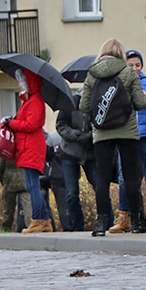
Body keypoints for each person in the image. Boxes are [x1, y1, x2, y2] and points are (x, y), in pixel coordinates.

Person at [79, 38, 146, 236]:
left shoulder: (92, 74)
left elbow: (83, 106)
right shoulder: (128, 72)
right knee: (131, 177)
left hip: (101, 133)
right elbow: (141, 103)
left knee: (102, 179)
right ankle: (136, 222)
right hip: (127, 132)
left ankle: (101, 224)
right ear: (121, 54)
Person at [109, 50, 146, 233]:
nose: (134, 68)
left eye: (137, 65)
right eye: (130, 65)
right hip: (125, 135)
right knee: (123, 178)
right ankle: (124, 217)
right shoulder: (118, 84)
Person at [3, 69, 51, 234]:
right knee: (32, 185)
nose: (20, 85)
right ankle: (45, 221)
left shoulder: (36, 101)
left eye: (22, 82)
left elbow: (30, 125)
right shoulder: (30, 101)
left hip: (31, 147)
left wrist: (13, 124)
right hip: (27, 147)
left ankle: (38, 220)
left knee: (32, 185)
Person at [55, 91, 100, 232]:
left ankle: (107, 221)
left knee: (99, 187)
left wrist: (90, 135)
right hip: (69, 152)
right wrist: (76, 135)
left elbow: (102, 125)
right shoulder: (70, 103)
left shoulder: (98, 103)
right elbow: (61, 125)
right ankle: (77, 227)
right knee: (71, 193)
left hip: (90, 152)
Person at [43, 131, 71, 231]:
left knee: (62, 205)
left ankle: (67, 227)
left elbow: (47, 156)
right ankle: (75, 225)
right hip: (70, 174)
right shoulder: (72, 136)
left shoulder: (52, 138)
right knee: (72, 202)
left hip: (56, 175)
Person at [0, 156, 32, 232]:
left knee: (8, 209)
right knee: (28, 206)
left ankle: (6, 228)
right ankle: (31, 227)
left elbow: (1, 167)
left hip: (9, 180)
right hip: (24, 178)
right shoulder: (23, 147)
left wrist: (2, 179)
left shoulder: (6, 148)